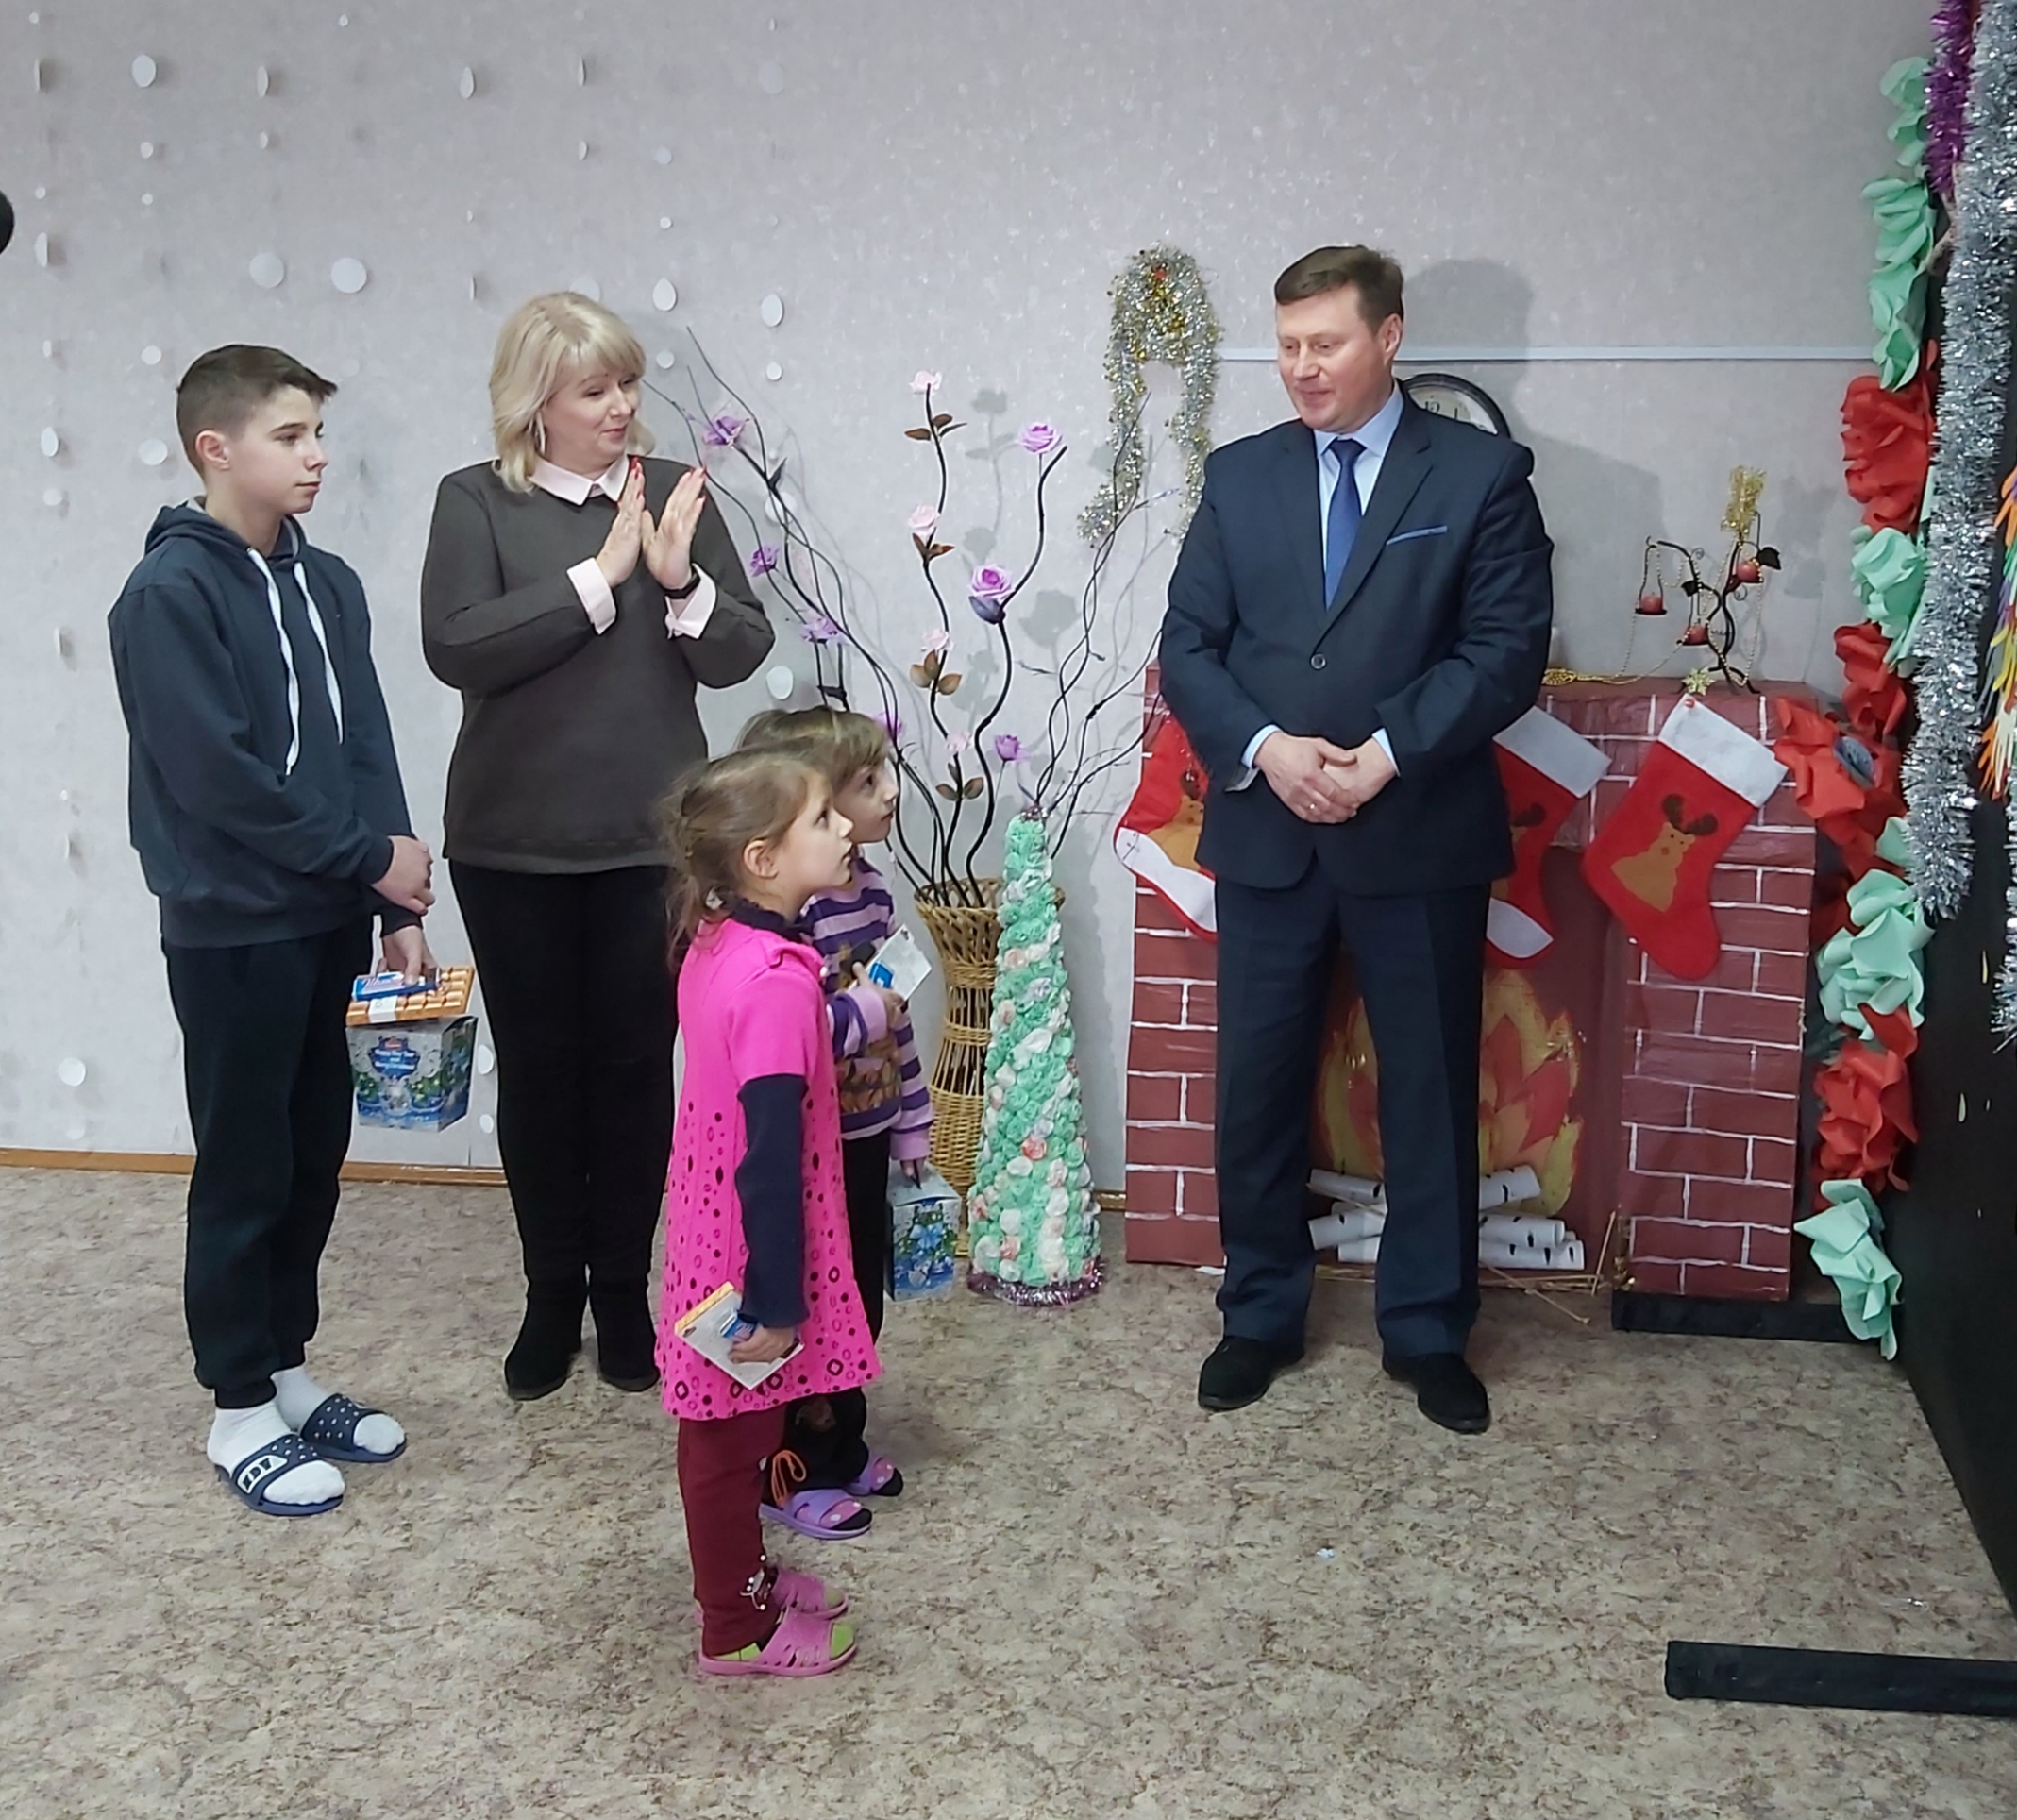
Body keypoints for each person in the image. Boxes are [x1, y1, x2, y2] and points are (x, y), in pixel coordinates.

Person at [1159, 246, 1554, 1433]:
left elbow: (1505, 650)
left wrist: (1382, 754)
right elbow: (1188, 646)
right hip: (1266, 827)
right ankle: (1258, 1313)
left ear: (1388, 337)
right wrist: (1267, 747)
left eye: (1324, 343)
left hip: (1417, 830)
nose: (1302, 367)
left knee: (1427, 1088)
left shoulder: (1481, 475)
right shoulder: (1239, 477)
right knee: (1258, 1087)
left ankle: (1428, 1330)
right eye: (1286, 346)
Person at [420, 293, 775, 1402]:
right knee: (538, 1072)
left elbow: (739, 650)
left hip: (648, 846)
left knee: (630, 1070)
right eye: (593, 389)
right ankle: (548, 1296)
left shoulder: (674, 495)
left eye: (626, 383)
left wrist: (674, 579)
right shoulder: (474, 500)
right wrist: (598, 576)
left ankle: (622, 1291)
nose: (620, 405)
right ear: (537, 402)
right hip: (511, 843)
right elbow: (458, 647)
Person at [109, 345, 433, 1517]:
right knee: (244, 1160)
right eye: (290, 435)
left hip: (327, 911)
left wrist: (393, 895)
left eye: (317, 433)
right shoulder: (168, 594)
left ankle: (286, 1367)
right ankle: (237, 1404)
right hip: (232, 927)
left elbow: (364, 741)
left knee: (308, 1150)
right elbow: (218, 780)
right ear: (216, 447)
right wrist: (366, 858)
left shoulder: (327, 581)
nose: (317, 456)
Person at [655, 750, 878, 1677]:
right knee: (725, 1443)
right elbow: (772, 1157)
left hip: (708, 1231)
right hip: (748, 1255)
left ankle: (743, 1574)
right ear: (761, 858)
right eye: (821, 817)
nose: (845, 827)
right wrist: (777, 1301)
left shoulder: (719, 945)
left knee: (736, 1433)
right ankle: (733, 1625)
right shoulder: (777, 982)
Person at [737, 708, 932, 1539]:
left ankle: (842, 1440)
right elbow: (800, 1031)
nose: (888, 794)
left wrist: (912, 1117)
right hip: (810, 1151)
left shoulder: (875, 894)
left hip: (868, 1137)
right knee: (808, 1305)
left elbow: (898, 1019)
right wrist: (862, 1012)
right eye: (862, 784)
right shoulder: (789, 921)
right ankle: (792, 1470)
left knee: (855, 1303)